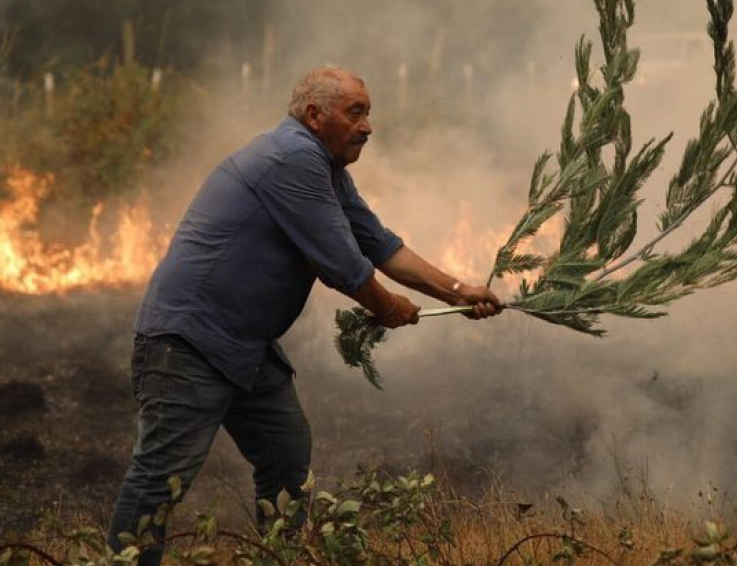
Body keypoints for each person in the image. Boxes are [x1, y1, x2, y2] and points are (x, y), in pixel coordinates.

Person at [107, 65, 502, 565]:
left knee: (285, 454)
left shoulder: (328, 170)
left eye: (369, 113)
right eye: (355, 112)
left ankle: (280, 557)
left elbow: (379, 244)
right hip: (189, 341)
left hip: (244, 347)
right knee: (161, 477)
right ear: (315, 115)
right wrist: (388, 308)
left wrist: (457, 291)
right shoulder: (292, 158)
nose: (368, 126)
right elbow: (343, 265)